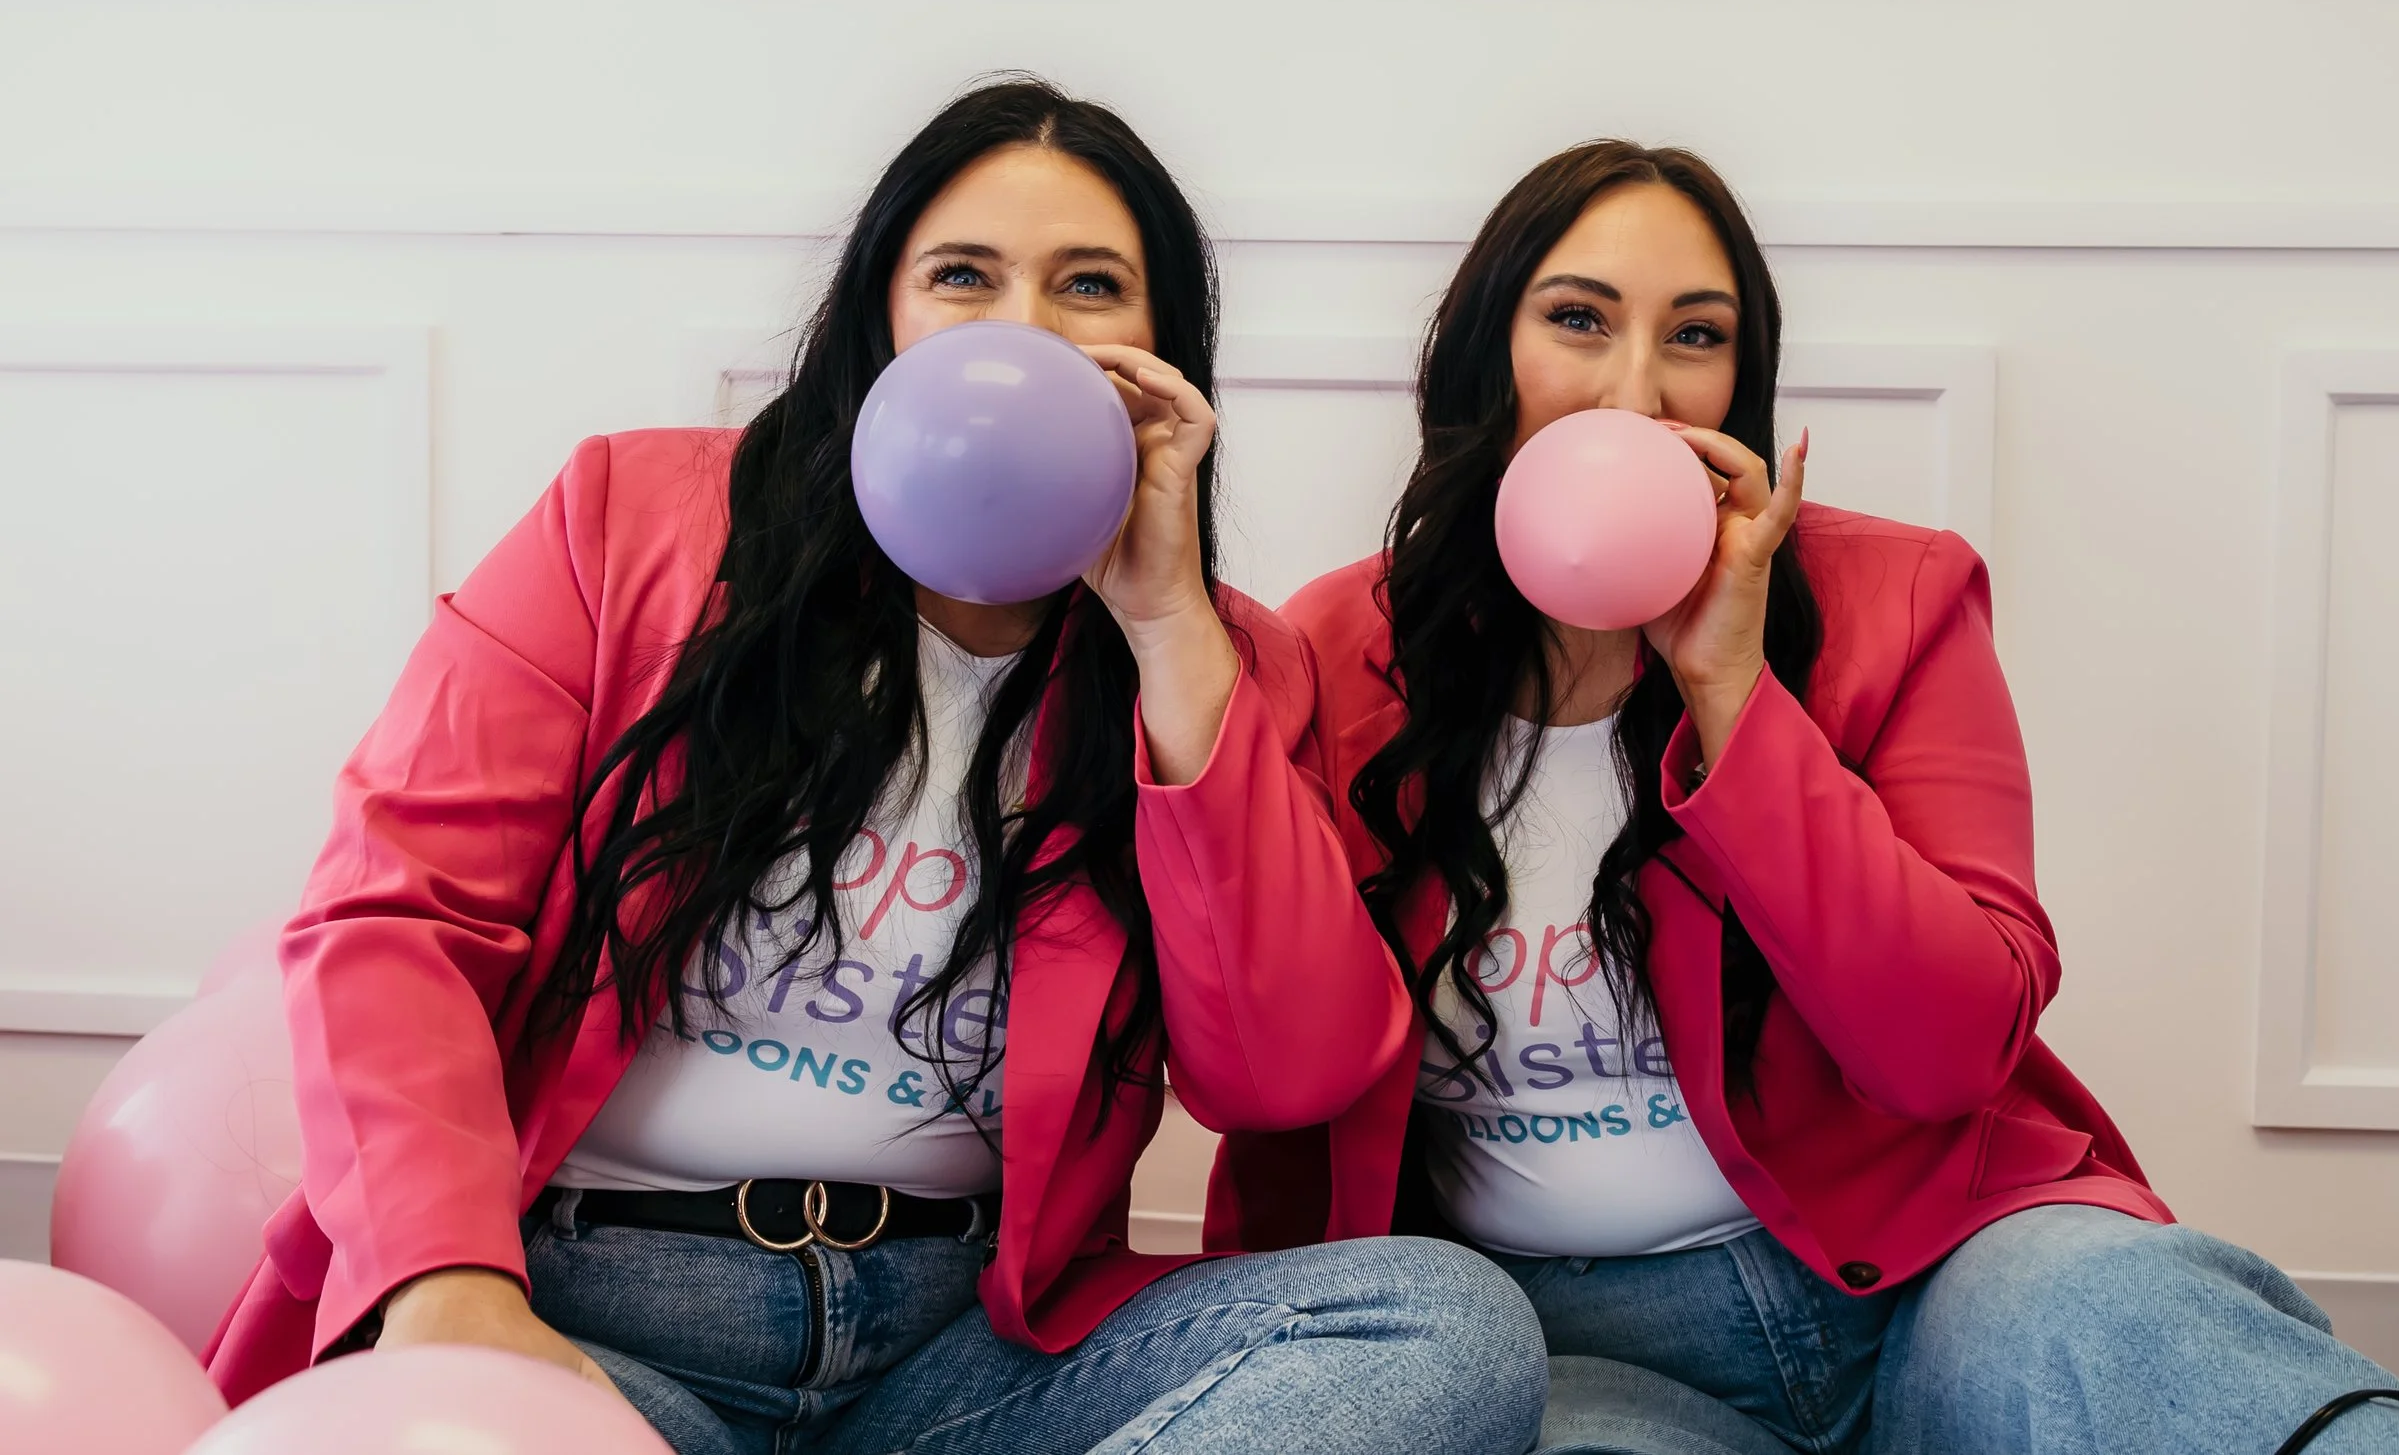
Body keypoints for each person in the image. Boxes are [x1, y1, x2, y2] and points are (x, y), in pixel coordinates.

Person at [204, 79, 1545, 1455]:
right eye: (964, 274)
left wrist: (1165, 627)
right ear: (881, 316)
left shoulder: (1217, 660)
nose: (1024, 329)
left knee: (1442, 1323)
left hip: (955, 1354)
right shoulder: (630, 524)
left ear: (1161, 354)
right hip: (595, 1318)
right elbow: (399, 920)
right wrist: (452, 1290)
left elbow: (1284, 1074)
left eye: (1089, 285)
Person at [1213, 139, 2399, 1454]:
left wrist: (1735, 695)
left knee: (2141, 1324)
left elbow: (1943, 1049)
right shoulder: (1336, 653)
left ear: (1742, 381)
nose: (1636, 390)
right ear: (1487, 353)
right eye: (1578, 318)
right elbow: (1267, 1066)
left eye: (1694, 335)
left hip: (1942, 1270)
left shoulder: (1898, 598)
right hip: (1570, 1345)